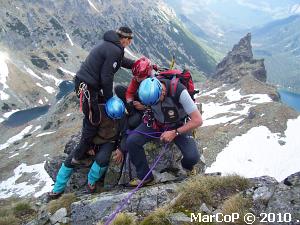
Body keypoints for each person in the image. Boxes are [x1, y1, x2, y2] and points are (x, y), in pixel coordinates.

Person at [73, 27, 134, 164]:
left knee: (94, 114)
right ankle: (78, 157)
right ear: (124, 38)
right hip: (87, 87)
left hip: (86, 84)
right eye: (130, 39)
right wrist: (109, 99)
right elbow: (106, 76)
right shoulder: (114, 49)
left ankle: (89, 146)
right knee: (93, 119)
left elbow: (120, 61)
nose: (130, 43)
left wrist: (135, 64)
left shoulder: (111, 45)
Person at [126, 77, 203, 187]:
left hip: (178, 125)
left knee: (192, 157)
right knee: (132, 141)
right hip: (156, 123)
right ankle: (145, 177)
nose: (156, 104)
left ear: (162, 91)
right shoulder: (147, 92)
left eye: (158, 100)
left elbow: (198, 120)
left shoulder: (179, 92)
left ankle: (187, 167)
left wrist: (175, 132)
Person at [48, 96, 127, 199]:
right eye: (112, 117)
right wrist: (88, 146)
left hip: (109, 141)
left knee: (102, 160)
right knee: (70, 161)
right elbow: (87, 131)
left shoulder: (122, 116)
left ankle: (91, 181)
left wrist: (121, 148)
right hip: (92, 140)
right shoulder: (95, 113)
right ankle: (57, 189)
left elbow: (126, 133)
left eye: (117, 118)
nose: (114, 119)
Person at [114, 56, 155, 129]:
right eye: (135, 76)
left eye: (140, 77)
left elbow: (158, 106)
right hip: (141, 101)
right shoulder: (137, 78)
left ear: (147, 75)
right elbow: (130, 92)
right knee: (118, 88)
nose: (137, 79)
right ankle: (133, 113)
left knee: (132, 123)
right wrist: (130, 103)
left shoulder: (155, 85)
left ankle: (136, 117)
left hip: (149, 109)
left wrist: (144, 107)